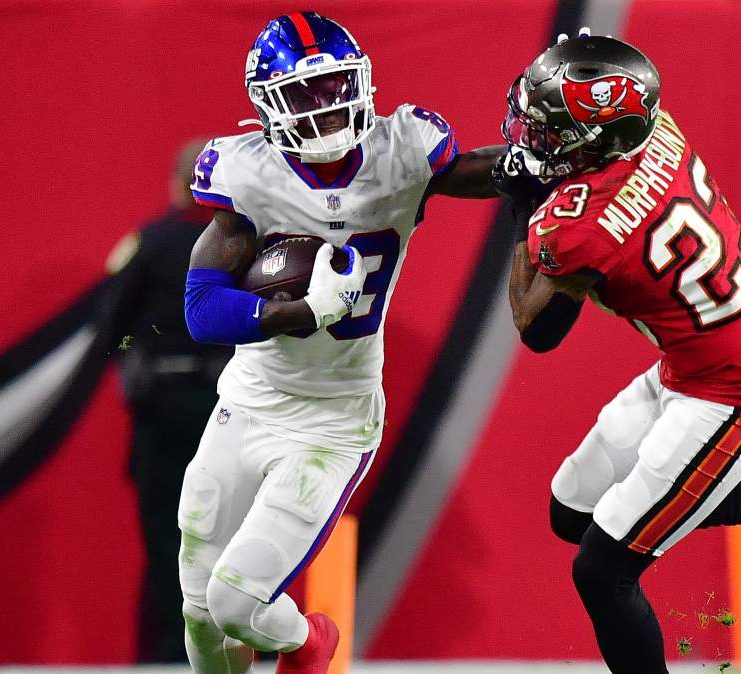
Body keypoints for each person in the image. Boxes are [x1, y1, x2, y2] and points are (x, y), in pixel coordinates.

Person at [493, 30, 741, 674]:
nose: (536, 136)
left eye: (553, 128)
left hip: (739, 394)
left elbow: (535, 327)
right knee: (571, 512)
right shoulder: (653, 130)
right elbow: (581, 173)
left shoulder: (585, 226)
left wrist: (520, 208)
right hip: (693, 365)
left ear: (600, 135)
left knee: (603, 571)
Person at [178, 12, 501, 674]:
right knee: (200, 613)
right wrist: (298, 311)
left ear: (360, 82)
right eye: (304, 95)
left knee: (237, 603)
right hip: (248, 402)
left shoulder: (401, 151)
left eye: (334, 88)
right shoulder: (249, 174)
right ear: (268, 105)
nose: (325, 108)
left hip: (333, 419)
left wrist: (551, 161)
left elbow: (484, 172)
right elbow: (202, 312)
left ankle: (307, 643)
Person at [99, 139, 233, 663]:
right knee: (231, 541)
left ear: (179, 184)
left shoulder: (150, 244)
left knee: (167, 539)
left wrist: (133, 359)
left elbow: (111, 328)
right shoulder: (254, 246)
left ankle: (170, 656)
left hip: (162, 409)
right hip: (230, 415)